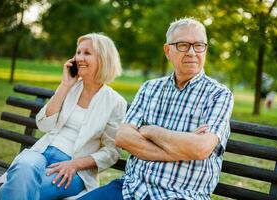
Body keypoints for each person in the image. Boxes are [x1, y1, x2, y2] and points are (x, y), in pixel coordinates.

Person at [79, 17, 234, 200]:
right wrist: (183, 147)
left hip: (181, 195)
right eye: (183, 45)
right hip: (131, 188)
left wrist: (150, 130)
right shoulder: (150, 88)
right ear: (168, 50)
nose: (192, 52)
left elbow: (200, 148)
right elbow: (123, 137)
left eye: (199, 45)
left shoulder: (219, 95)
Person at [0, 33, 127, 200]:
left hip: (74, 167)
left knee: (17, 190)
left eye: (87, 53)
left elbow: (111, 151)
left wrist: (75, 164)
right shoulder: (70, 87)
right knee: (24, 166)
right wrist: (65, 85)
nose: (79, 57)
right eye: (78, 52)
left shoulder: (115, 102)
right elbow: (44, 125)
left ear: (104, 59)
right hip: (41, 152)